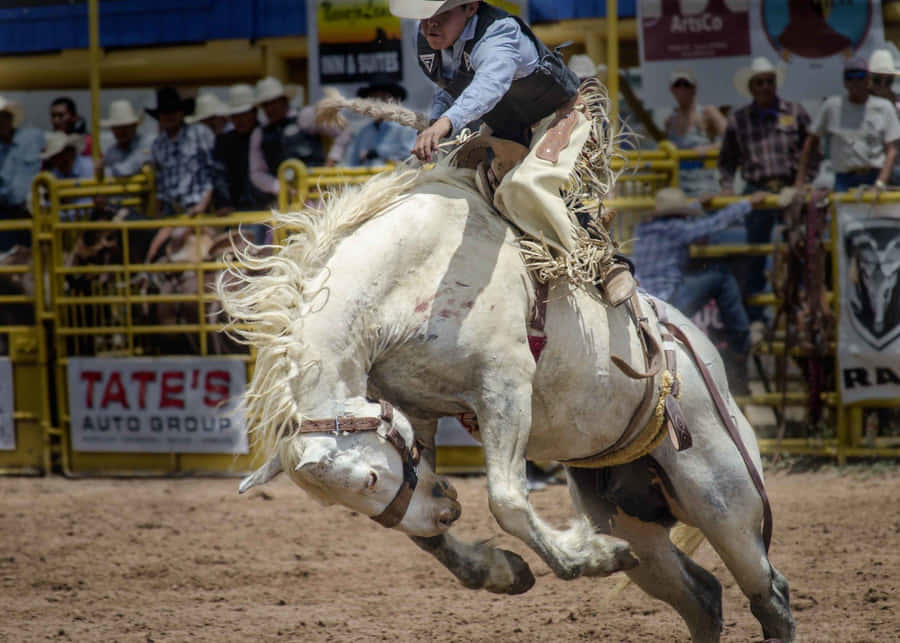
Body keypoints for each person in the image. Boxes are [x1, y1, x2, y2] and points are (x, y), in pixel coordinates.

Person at [393, 0, 599, 267]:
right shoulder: (433, 40)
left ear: (470, 8)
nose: (431, 23)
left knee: (526, 184)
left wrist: (445, 123)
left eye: (442, 14)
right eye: (425, 16)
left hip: (557, 115)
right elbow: (449, 86)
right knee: (448, 175)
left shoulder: (499, 33)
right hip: (506, 125)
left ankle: (597, 258)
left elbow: (489, 84)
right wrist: (436, 122)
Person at [632, 187, 768, 393]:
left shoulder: (642, 230)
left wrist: (697, 203)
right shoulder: (678, 229)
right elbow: (713, 224)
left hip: (643, 301)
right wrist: (748, 203)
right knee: (721, 275)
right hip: (668, 301)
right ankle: (742, 340)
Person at [718, 56, 818, 322]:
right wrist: (727, 188)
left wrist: (802, 183)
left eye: (769, 82)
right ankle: (756, 317)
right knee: (755, 254)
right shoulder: (739, 120)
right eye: (760, 82)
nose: (765, 87)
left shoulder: (795, 112)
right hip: (756, 190)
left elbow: (814, 150)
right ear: (751, 87)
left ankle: (799, 310)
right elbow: (726, 161)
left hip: (790, 189)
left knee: (797, 249)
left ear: (776, 84)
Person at [795, 56, 900, 194]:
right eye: (850, 76)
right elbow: (811, 141)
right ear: (844, 81)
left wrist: (880, 182)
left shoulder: (884, 107)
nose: (855, 81)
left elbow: (892, 149)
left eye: (860, 75)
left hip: (875, 176)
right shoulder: (831, 106)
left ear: (868, 80)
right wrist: (800, 180)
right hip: (844, 180)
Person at [248, 77, 351, 200]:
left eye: (273, 102)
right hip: (286, 200)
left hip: (318, 192)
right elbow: (256, 173)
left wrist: (330, 163)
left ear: (284, 100)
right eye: (266, 105)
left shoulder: (305, 116)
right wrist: (280, 187)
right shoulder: (259, 133)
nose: (270, 108)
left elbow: (344, 130)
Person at [147, 86, 214, 217]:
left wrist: (202, 206)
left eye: (173, 111)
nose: (169, 116)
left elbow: (213, 172)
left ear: (181, 113)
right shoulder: (157, 144)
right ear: (159, 116)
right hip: (171, 212)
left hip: (199, 209)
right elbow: (160, 183)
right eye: (165, 112)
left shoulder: (200, 133)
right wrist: (158, 210)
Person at [665, 69, 727, 196]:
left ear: (694, 88)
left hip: (705, 187)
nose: (682, 89)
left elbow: (733, 139)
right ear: (672, 90)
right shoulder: (669, 120)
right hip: (678, 188)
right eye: (677, 85)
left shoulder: (707, 112)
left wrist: (710, 148)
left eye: (686, 84)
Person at [212, 84, 270, 217]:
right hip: (235, 210)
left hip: (268, 207)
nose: (240, 120)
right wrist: (224, 203)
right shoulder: (224, 142)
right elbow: (220, 175)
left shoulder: (270, 136)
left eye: (244, 114)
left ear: (254, 112)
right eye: (235, 115)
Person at [343, 76, 417, 167]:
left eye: (383, 98)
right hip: (368, 180)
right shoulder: (363, 132)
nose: (378, 104)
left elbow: (411, 156)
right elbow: (352, 163)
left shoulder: (407, 127)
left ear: (395, 101)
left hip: (399, 179)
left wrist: (379, 153)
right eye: (373, 99)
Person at [0, 96, 42, 251]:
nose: (1, 122)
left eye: (4, 117)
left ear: (11, 118)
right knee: (8, 261)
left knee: (38, 256)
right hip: (6, 214)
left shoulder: (33, 137)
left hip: (33, 212)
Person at [41, 131, 93, 220]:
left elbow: (88, 205)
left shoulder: (89, 168)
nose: (58, 161)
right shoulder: (55, 174)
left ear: (70, 151)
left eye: (60, 155)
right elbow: (48, 206)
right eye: (54, 158)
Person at [867, 49, 900, 187]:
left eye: (888, 81)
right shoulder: (860, 105)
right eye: (877, 80)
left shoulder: (898, 105)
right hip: (868, 171)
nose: (882, 86)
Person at [97, 99, 151, 179]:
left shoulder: (146, 143)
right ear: (112, 129)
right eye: (117, 127)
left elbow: (130, 167)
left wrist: (104, 172)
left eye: (126, 126)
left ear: (134, 126)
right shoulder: (111, 152)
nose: (121, 131)